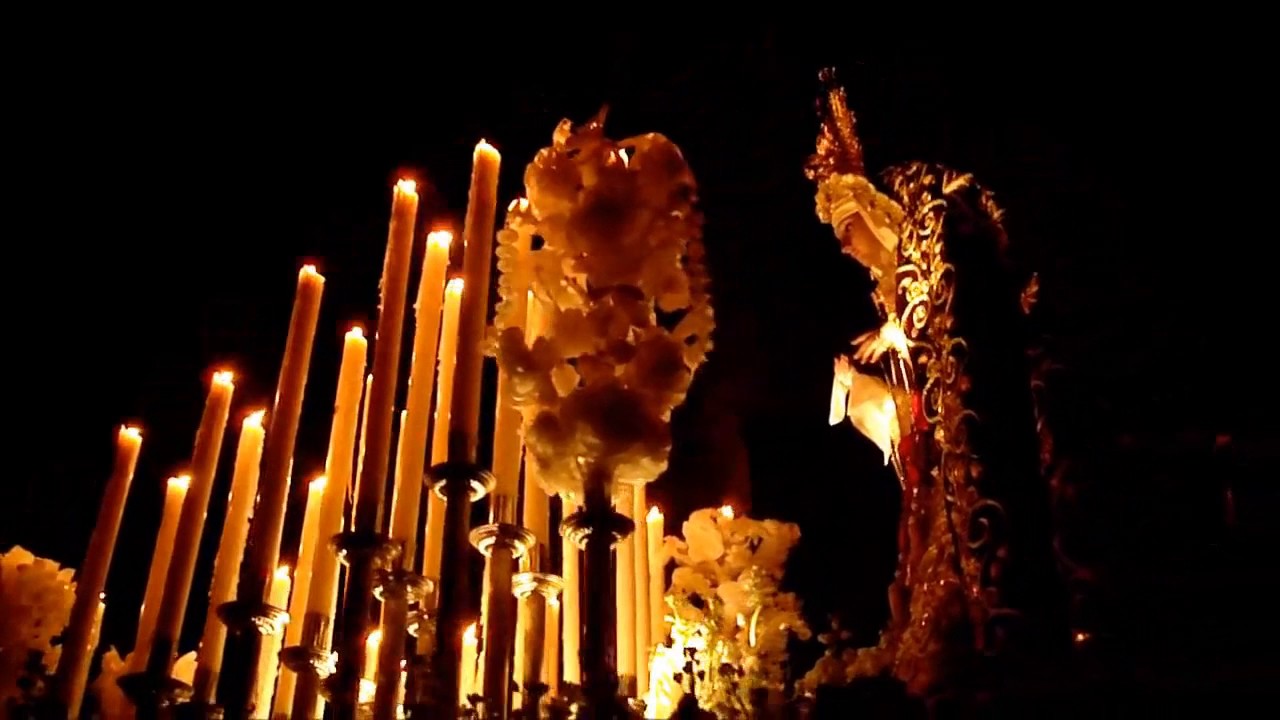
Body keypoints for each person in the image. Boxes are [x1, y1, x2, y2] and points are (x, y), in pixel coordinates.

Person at [808, 69, 1063, 695]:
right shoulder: (896, 290)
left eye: (846, 232)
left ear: (871, 216)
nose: (844, 248)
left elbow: (943, 339)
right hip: (928, 447)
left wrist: (897, 337)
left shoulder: (930, 257)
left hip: (960, 435)